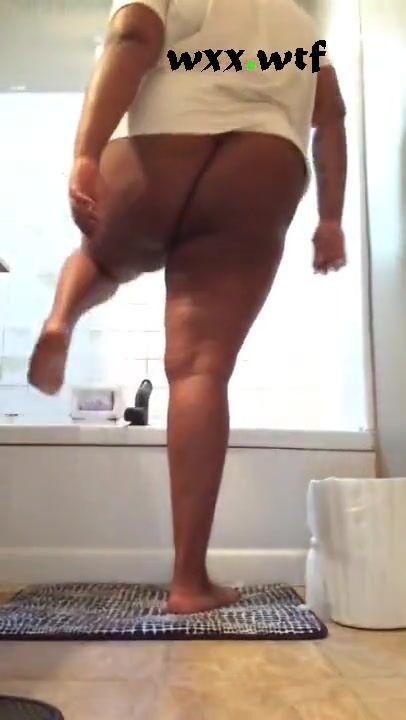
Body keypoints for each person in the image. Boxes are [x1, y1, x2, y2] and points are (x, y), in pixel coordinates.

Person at [28, 0, 347, 614]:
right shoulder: (299, 26)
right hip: (263, 162)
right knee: (201, 369)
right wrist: (330, 219)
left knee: (102, 259)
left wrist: (86, 152)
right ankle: (188, 581)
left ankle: (62, 317)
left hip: (160, 143)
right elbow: (328, 119)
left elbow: (133, 35)